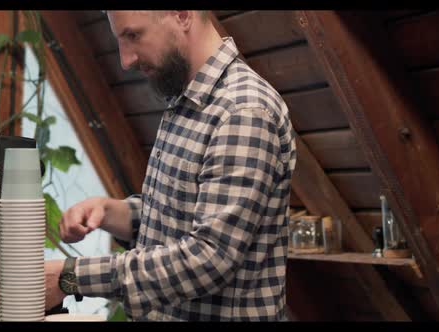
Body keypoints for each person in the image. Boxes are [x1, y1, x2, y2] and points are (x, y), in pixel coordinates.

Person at [45, 10, 297, 321]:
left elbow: (209, 258)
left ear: (182, 15)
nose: (126, 60)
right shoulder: (186, 101)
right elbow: (177, 221)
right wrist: (112, 212)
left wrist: (71, 276)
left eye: (133, 36)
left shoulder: (242, 111)